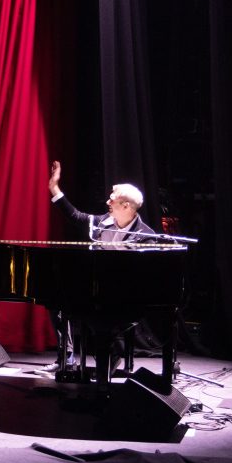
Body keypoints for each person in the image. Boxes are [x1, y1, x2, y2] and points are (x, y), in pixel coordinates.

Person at [46, 160, 156, 373]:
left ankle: (111, 354)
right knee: (56, 300)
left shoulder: (146, 237)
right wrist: (54, 188)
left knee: (99, 313)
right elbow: (75, 216)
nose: (107, 201)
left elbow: (144, 279)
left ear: (126, 206)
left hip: (125, 296)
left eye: (112, 199)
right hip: (97, 291)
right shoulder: (103, 222)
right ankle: (67, 356)